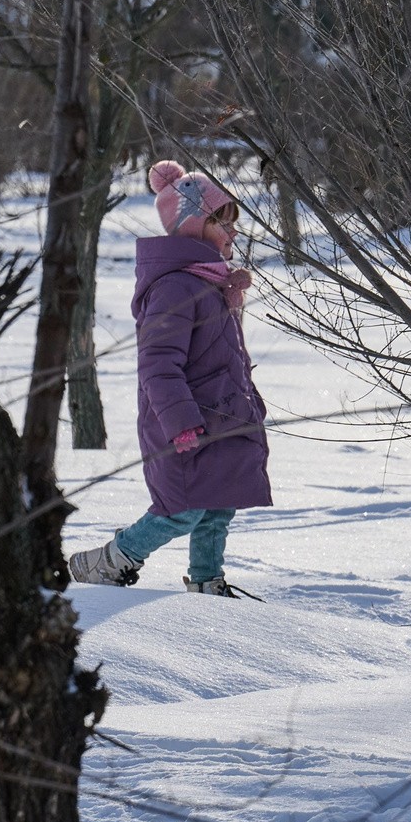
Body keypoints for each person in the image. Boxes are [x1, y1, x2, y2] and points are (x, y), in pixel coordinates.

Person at [70, 161, 272, 595]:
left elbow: (225, 358)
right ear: (195, 224)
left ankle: (206, 580)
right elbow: (159, 364)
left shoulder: (209, 283)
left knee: (219, 506)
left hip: (220, 418)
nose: (234, 233)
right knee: (182, 509)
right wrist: (180, 423)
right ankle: (111, 559)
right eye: (224, 223)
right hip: (184, 425)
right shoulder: (175, 287)